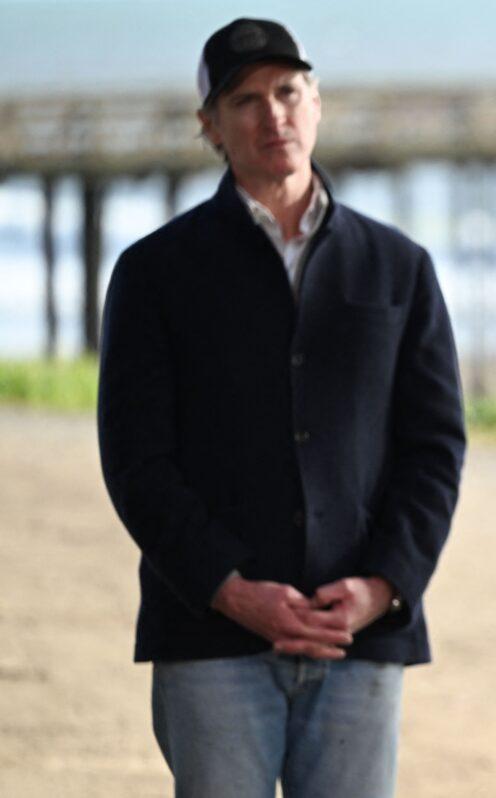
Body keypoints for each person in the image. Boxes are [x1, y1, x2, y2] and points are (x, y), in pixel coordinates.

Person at [97, 18, 465, 798]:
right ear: (210, 126)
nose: (274, 114)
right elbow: (136, 462)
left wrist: (384, 585)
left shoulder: (399, 265)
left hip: (356, 637)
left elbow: (434, 447)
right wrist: (231, 590)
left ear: (317, 103)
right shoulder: (154, 272)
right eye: (245, 99)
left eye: (289, 92)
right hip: (209, 635)